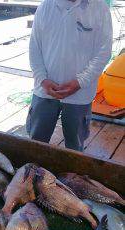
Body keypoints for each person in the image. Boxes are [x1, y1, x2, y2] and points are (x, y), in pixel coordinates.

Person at [26, 0, 113, 151]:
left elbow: (103, 52)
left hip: (80, 95)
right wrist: (42, 79)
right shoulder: (46, 6)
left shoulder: (100, 8)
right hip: (44, 92)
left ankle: (72, 175)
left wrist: (80, 82)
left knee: (75, 147)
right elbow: (34, 47)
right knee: (36, 143)